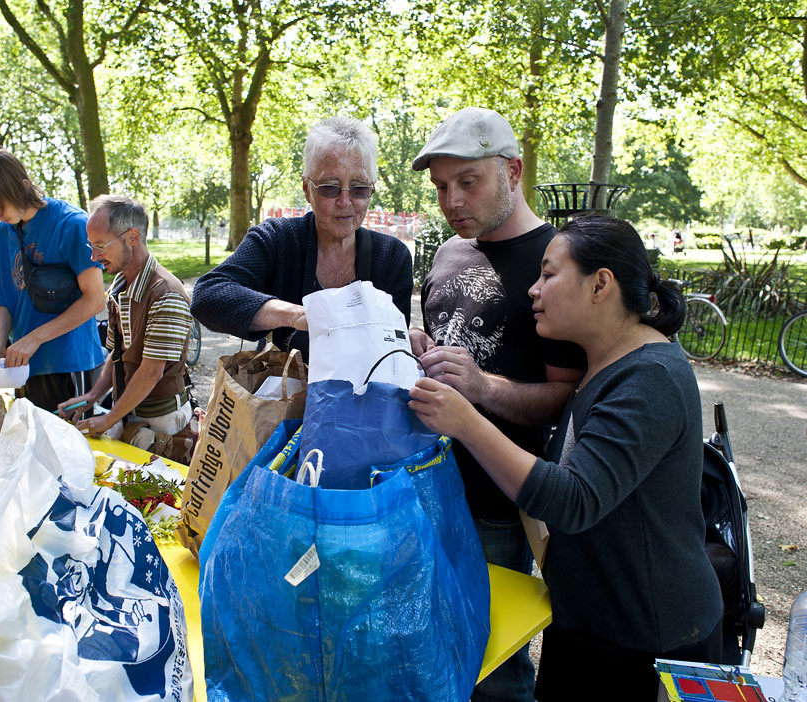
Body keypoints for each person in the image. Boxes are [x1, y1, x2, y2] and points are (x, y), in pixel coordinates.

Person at [409, 215, 723, 701]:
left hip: (642, 642)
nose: (533, 290)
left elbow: (574, 499)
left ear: (601, 284)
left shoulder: (650, 378)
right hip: (589, 624)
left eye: (549, 275)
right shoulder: (607, 362)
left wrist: (466, 422)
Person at [409, 106, 584, 702]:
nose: (452, 200)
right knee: (428, 645)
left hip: (500, 509)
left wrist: (481, 389)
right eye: (440, 187)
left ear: (513, 171)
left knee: (497, 668)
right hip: (422, 490)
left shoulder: (559, 263)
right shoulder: (445, 255)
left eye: (468, 181)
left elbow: (566, 398)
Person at [190, 116, 413, 361]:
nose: (345, 202)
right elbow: (207, 295)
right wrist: (297, 315)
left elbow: (394, 351)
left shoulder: (392, 258)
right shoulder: (277, 239)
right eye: (330, 187)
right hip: (282, 396)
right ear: (307, 189)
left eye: (359, 188)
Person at [0, 149, 106, 413]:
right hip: (22, 367)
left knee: (72, 450)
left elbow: (95, 300)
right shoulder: (5, 232)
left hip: (70, 364)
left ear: (21, 187)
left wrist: (33, 339)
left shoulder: (72, 224)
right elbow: (2, 296)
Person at [55, 195, 195, 460]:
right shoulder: (120, 286)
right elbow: (117, 354)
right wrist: (93, 395)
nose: (94, 256)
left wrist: (109, 418)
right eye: (90, 246)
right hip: (131, 414)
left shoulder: (166, 294)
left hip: (162, 423)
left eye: (100, 246)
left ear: (132, 237)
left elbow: (152, 371)